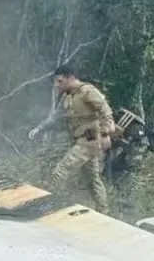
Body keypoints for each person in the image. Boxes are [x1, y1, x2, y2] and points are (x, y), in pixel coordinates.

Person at [28, 64, 115, 213]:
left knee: (61, 170)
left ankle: (46, 205)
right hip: (83, 141)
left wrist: (106, 135)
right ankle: (104, 211)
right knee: (92, 179)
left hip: (89, 141)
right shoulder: (69, 96)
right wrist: (39, 129)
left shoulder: (88, 91)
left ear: (70, 78)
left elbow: (106, 111)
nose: (57, 85)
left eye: (60, 81)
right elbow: (56, 117)